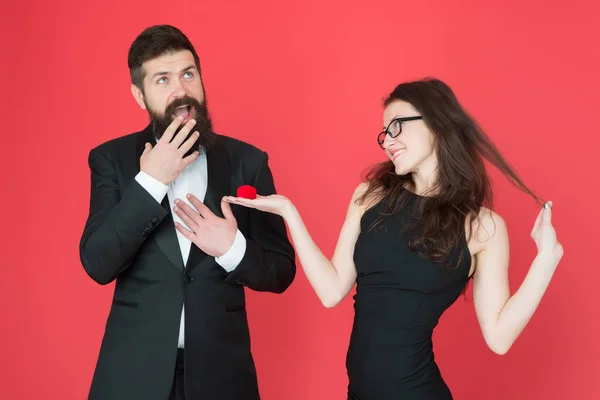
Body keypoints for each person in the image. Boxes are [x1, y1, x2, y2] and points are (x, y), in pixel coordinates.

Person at [204, 78, 564, 399]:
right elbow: (332, 292)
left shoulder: (482, 227)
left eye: (396, 127)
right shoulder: (372, 196)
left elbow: (499, 338)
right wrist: (289, 213)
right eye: (384, 133)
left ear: (437, 123)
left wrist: (546, 259)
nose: (387, 142)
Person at [79, 25, 296, 400]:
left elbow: (281, 272)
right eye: (162, 79)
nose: (180, 89)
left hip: (223, 378)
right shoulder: (110, 159)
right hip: (132, 376)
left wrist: (233, 248)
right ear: (139, 94)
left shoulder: (248, 161)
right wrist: (151, 182)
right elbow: (98, 263)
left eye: (188, 74)